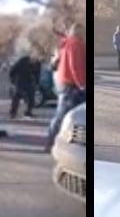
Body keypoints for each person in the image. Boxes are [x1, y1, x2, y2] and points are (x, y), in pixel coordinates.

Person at [46, 23, 87, 152]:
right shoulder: (75, 44)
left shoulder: (67, 43)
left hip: (66, 83)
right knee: (64, 115)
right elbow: (75, 66)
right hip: (71, 85)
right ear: (79, 33)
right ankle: (51, 143)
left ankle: (56, 141)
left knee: (68, 115)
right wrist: (82, 84)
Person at [8, 54, 40, 119]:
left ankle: (28, 112)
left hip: (30, 82)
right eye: (33, 60)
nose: (34, 61)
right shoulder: (23, 61)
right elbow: (13, 69)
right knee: (17, 97)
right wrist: (12, 80)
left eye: (35, 60)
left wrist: (37, 83)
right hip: (20, 81)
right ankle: (13, 112)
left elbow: (37, 74)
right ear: (30, 58)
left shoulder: (38, 64)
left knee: (31, 98)